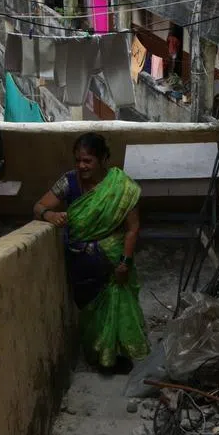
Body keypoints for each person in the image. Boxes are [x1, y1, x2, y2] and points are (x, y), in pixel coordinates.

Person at [33, 133, 150, 370]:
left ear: (103, 159)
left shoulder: (122, 188)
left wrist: (125, 263)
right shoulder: (68, 182)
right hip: (80, 261)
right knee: (89, 309)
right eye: (78, 160)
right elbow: (38, 206)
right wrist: (50, 215)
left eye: (88, 161)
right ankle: (96, 354)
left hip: (113, 259)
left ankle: (115, 356)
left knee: (116, 306)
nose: (81, 166)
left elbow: (132, 228)